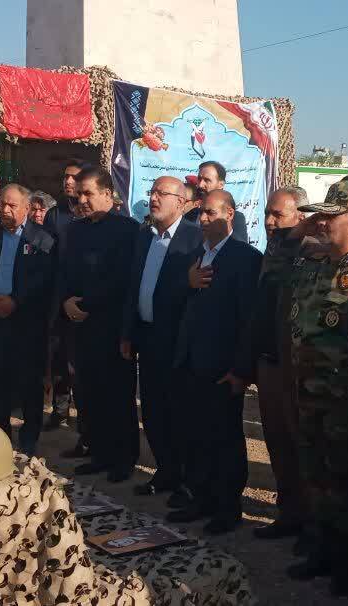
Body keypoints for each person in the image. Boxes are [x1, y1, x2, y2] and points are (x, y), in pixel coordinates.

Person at [272, 180, 348, 596]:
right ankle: (320, 552)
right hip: (308, 392)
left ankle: (345, 564)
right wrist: (298, 233)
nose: (322, 223)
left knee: (347, 482)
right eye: (320, 217)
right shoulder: (313, 266)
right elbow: (281, 286)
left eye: (331, 217)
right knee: (315, 474)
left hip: (345, 401)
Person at [167, 190, 262, 534]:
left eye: (210, 213)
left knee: (225, 439)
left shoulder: (245, 258)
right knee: (195, 435)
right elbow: (178, 300)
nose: (203, 220)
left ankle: (227, 507)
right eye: (201, 214)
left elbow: (249, 319)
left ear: (229, 214)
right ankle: (200, 497)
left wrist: (241, 370)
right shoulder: (195, 255)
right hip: (191, 362)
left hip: (222, 367)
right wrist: (187, 282)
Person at [121, 176, 203, 498]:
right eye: (152, 192)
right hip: (147, 336)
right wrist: (128, 333)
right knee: (153, 411)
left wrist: (185, 283)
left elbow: (196, 292)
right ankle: (166, 470)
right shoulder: (145, 236)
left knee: (180, 412)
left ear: (181, 203)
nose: (153, 198)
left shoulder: (195, 239)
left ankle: (188, 479)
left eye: (161, 193)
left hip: (178, 342)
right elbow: (134, 286)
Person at [241, 185, 313, 544]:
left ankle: (310, 525)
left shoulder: (313, 255)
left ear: (301, 216)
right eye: (268, 213)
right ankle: (289, 513)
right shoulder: (273, 250)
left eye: (278, 215)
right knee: (278, 445)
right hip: (269, 365)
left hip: (296, 371)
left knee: (303, 448)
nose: (270, 221)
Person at [0, 184, 57, 454]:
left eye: (12, 205)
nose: (5, 210)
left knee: (29, 381)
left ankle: (29, 437)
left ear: (26, 208)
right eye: (3, 203)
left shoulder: (42, 238)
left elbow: (44, 278)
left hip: (27, 320)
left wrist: (16, 300)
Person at [62, 167, 141, 483]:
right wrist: (67, 301)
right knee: (89, 393)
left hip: (111, 326)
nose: (81, 200)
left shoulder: (128, 230)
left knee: (117, 395)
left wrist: (87, 304)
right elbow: (65, 271)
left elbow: (123, 279)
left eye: (88, 193)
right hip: (80, 325)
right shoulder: (75, 230)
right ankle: (99, 452)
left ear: (107, 194)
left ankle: (123, 458)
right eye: (79, 194)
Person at [45, 160, 86, 432]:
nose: (68, 181)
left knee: (80, 363)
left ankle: (85, 417)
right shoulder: (55, 214)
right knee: (59, 358)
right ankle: (60, 411)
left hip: (85, 300)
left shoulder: (92, 212)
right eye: (65, 177)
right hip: (58, 298)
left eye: (74, 177)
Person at [192, 160, 249, 242]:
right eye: (199, 179)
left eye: (207, 180)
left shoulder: (235, 219)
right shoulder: (189, 215)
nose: (200, 185)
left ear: (221, 185)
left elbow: (239, 247)